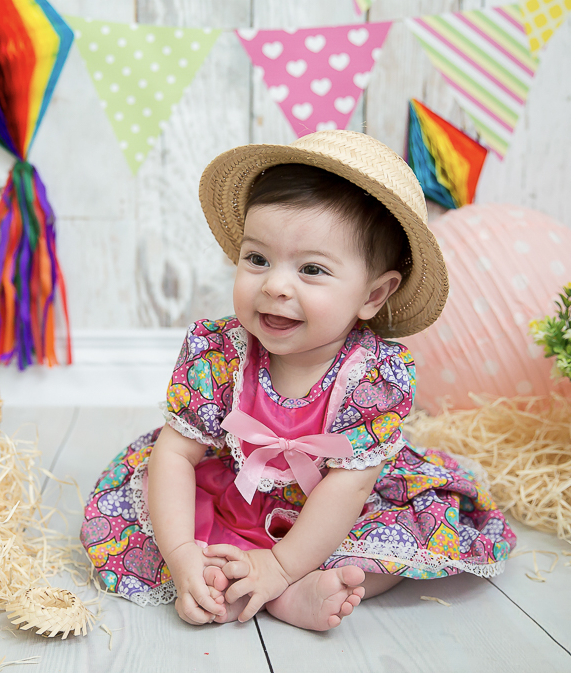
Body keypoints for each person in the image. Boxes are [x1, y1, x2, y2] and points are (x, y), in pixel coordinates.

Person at [80, 130, 515, 631]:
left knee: (392, 548)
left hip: (334, 508)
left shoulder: (374, 375)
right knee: (148, 516)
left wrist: (281, 565)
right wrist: (180, 557)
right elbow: (177, 454)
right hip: (234, 494)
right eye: (257, 259)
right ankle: (213, 578)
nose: (275, 285)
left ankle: (289, 590)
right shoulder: (219, 350)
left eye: (311, 269)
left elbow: (348, 489)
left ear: (373, 295)